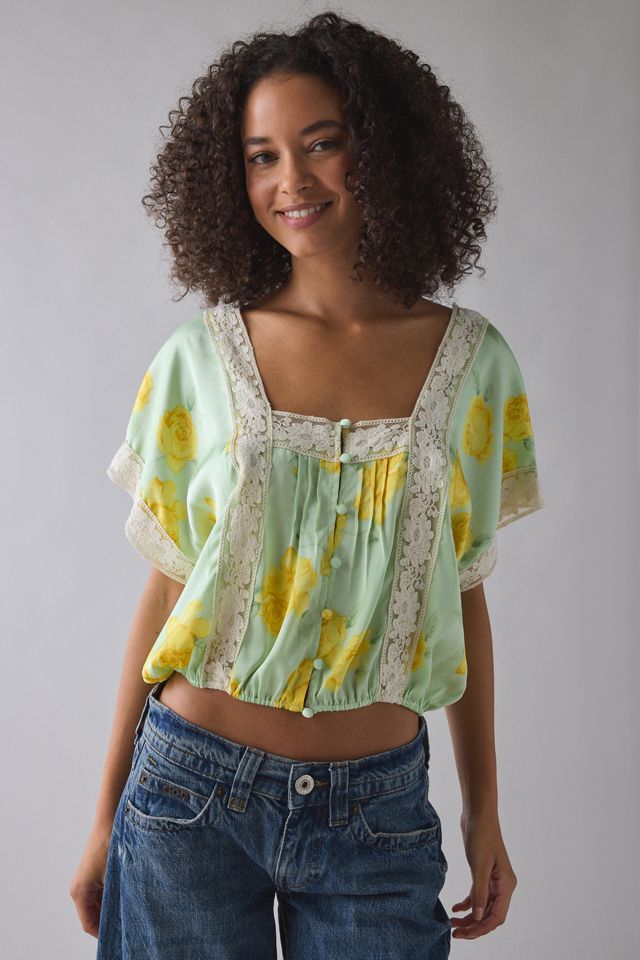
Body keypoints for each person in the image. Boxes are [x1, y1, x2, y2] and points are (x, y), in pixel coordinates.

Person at [70, 11, 545, 958]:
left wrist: (484, 811)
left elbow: (463, 591)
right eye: (261, 156)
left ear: (386, 149)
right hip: (187, 797)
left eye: (321, 143)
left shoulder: (474, 364)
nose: (290, 180)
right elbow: (166, 591)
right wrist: (102, 818)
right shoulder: (201, 359)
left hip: (379, 813)